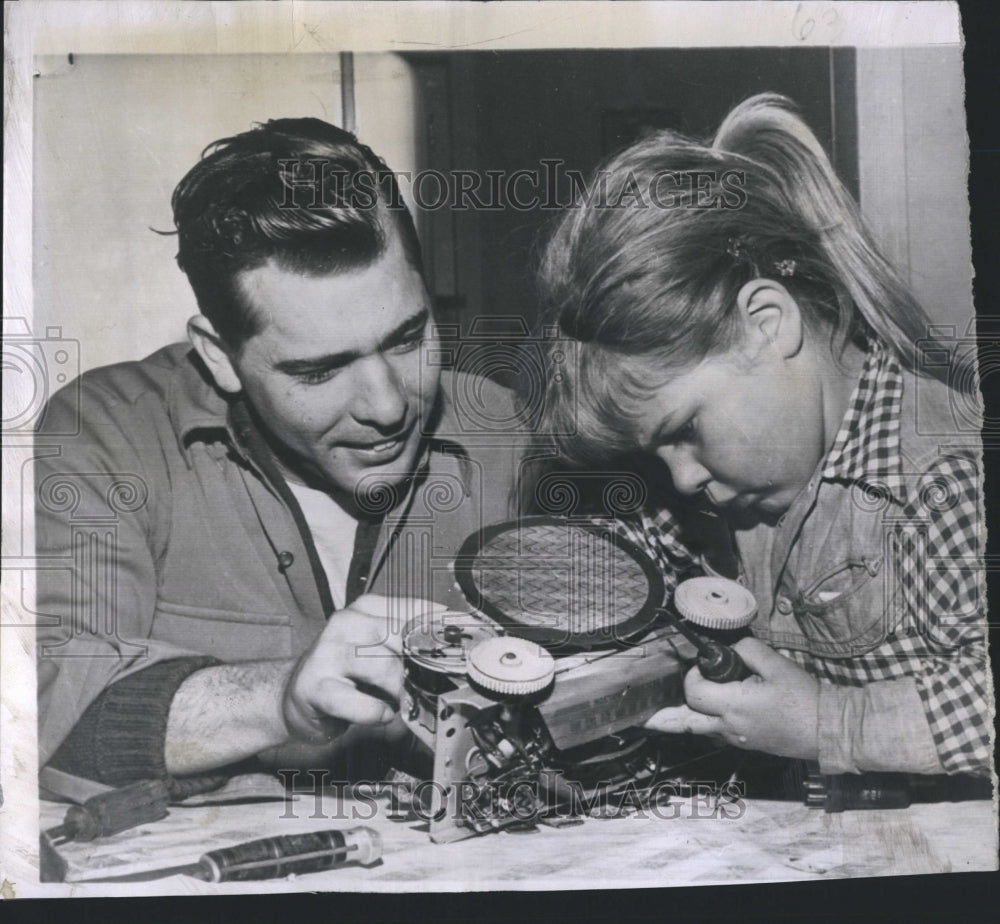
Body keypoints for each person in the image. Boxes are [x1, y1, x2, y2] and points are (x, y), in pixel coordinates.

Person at [36, 118, 521, 792]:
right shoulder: (107, 436)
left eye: (408, 339)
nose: (386, 405)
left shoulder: (504, 434)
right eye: (319, 372)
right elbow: (37, 704)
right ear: (219, 355)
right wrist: (279, 699)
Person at [537, 94, 990, 778]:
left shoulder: (943, 477)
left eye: (686, 429)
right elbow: (620, 573)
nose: (683, 478)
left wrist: (828, 724)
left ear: (768, 323)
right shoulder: (716, 500)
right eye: (656, 455)